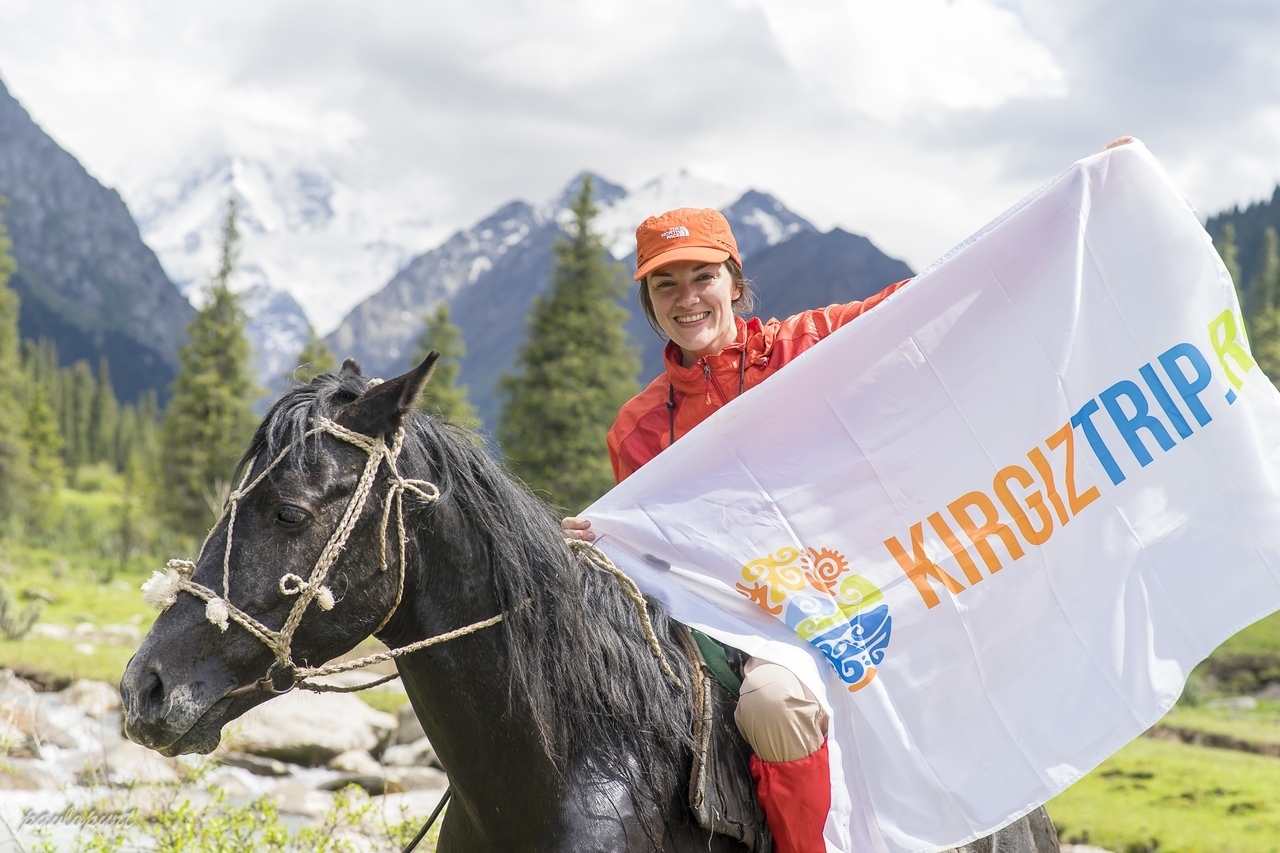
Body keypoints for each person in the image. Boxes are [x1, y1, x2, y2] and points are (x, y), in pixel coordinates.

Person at [562, 206, 907, 853]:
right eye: (666, 285)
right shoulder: (635, 428)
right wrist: (597, 542)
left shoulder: (803, 348)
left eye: (703, 276)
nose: (687, 298)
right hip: (711, 621)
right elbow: (648, 556)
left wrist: (1071, 201)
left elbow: (916, 305)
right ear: (649, 301)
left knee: (774, 707)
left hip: (823, 605)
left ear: (735, 283)